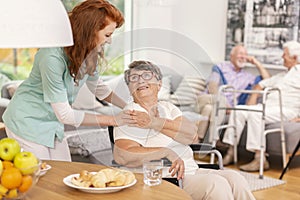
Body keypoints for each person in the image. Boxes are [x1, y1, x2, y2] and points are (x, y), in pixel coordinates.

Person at [2, 0, 138, 161]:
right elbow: (65, 115)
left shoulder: (87, 53)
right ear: (90, 31)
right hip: (26, 121)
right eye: (107, 35)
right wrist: (113, 120)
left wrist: (130, 106)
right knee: (39, 177)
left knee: (64, 173)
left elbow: (100, 89)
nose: (110, 41)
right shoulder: (51, 57)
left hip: (52, 124)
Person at [113, 60, 255, 200]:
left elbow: (192, 135)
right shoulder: (130, 115)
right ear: (130, 88)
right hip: (163, 177)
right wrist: (165, 152)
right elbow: (123, 156)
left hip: (190, 170)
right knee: (217, 184)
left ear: (159, 84)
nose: (140, 81)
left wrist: (154, 122)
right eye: (134, 78)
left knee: (236, 179)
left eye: (146, 76)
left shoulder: (169, 108)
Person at [222, 41, 300, 171]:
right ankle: (231, 152)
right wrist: (252, 98)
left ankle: (260, 159)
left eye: (285, 54)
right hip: (269, 108)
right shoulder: (283, 75)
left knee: (256, 113)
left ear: (295, 57)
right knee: (238, 111)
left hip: (287, 110)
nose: (282, 57)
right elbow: (261, 84)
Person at [195, 44, 270, 140]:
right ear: (231, 56)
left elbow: (268, 81)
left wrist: (257, 63)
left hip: (217, 106)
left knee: (209, 109)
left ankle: (197, 140)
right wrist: (227, 106)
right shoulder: (220, 67)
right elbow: (212, 87)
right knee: (219, 100)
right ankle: (214, 139)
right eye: (240, 54)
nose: (243, 57)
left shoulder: (247, 77)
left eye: (245, 54)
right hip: (206, 98)